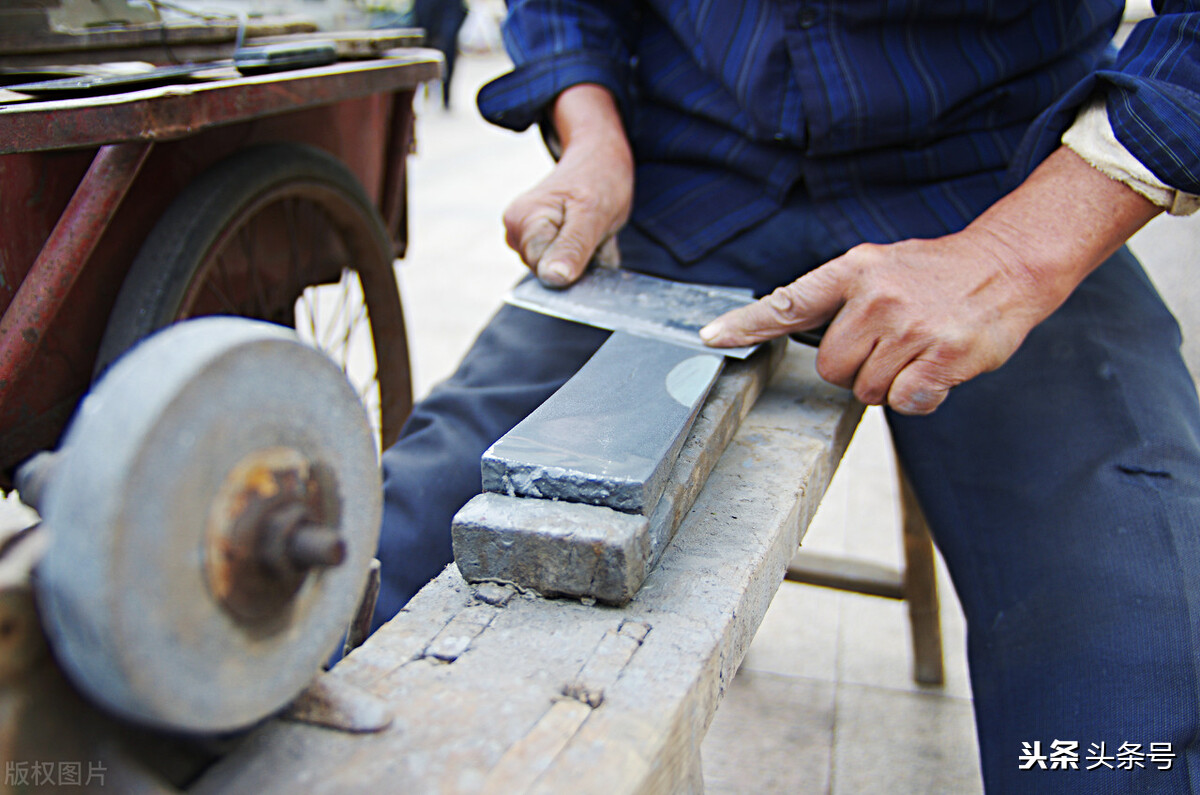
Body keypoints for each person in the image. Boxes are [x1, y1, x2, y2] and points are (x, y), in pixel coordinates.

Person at [374, 2, 1200, 791]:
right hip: (694, 186)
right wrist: (591, 135)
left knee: (1133, 674)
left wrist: (1018, 258)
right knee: (383, 547)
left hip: (997, 182)